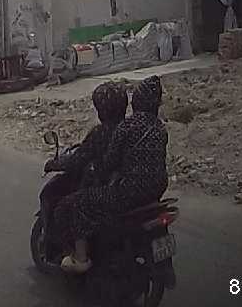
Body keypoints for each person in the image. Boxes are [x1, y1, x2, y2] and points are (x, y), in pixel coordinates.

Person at [54, 76, 169, 274]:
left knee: (78, 204)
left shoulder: (124, 128)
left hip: (128, 192)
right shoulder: (159, 127)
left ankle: (81, 259)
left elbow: (107, 163)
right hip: (156, 190)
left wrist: (97, 171)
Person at [45, 81, 129, 186]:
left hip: (104, 188)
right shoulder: (132, 127)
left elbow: (78, 160)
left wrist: (54, 164)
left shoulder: (101, 133)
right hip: (128, 185)